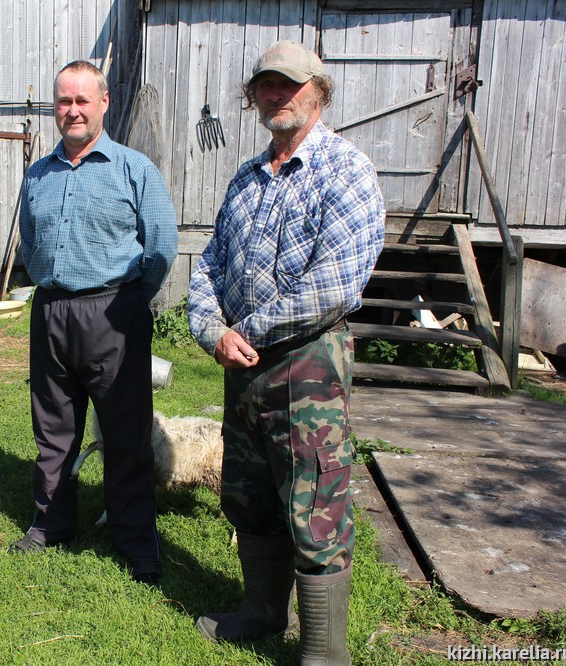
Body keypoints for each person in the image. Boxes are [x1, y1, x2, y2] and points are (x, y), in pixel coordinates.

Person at [187, 41, 384, 664]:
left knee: (315, 503)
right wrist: (212, 328)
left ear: (317, 93)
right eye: (267, 85)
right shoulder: (246, 178)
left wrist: (252, 329)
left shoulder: (346, 170)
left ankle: (324, 652)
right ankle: (262, 613)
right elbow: (211, 264)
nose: (278, 95)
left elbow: (337, 282)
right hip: (242, 364)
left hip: (307, 364)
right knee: (248, 492)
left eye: (290, 85)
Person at [11, 60, 178, 585]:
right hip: (52, 312)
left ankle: (134, 538)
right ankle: (51, 522)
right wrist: (48, 286)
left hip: (114, 312)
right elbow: (30, 243)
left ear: (104, 103)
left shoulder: (134, 169)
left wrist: (127, 302)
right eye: (64, 101)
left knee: (126, 432)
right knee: (53, 428)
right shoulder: (38, 174)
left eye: (83, 100)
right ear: (54, 107)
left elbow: (162, 248)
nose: (73, 110)